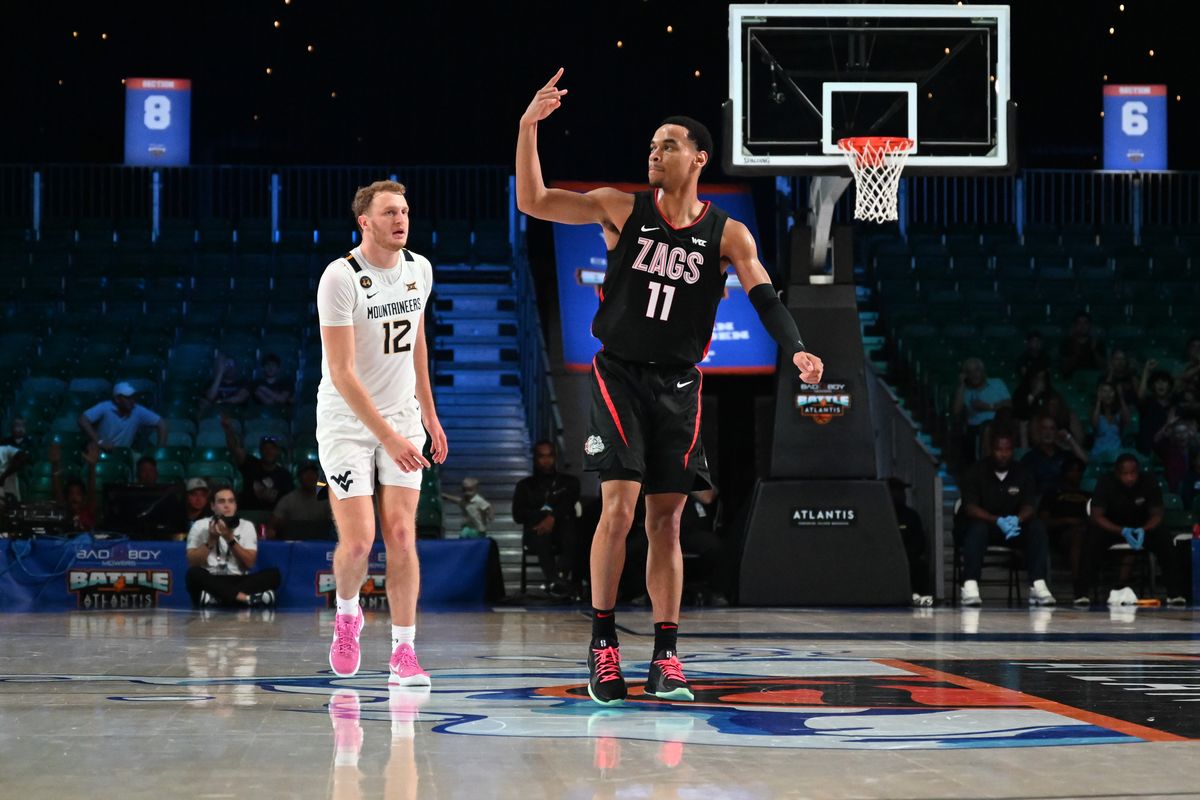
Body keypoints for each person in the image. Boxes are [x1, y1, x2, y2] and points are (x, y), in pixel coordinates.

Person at [516, 69, 824, 705]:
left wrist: (796, 349)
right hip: (619, 373)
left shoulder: (728, 233)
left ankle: (665, 657)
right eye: (651, 146)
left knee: (667, 521)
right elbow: (535, 200)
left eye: (668, 145)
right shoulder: (621, 207)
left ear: (699, 157)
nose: (654, 152)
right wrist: (527, 128)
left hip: (680, 385)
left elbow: (766, 298)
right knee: (620, 506)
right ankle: (604, 645)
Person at [316, 179, 447, 684]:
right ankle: (347, 615)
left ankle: (404, 652)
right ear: (364, 222)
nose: (401, 220)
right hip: (347, 422)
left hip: (401, 418)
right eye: (390, 212)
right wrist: (389, 438)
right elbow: (344, 374)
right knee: (358, 542)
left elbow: (415, 342)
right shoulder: (340, 277)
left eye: (406, 211)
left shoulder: (420, 269)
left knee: (400, 533)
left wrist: (427, 415)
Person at [956, 431, 1055, 607]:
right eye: (998, 449)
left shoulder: (1023, 473)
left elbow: (1029, 506)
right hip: (986, 526)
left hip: (1012, 528)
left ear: (1013, 451)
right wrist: (996, 520)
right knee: (977, 528)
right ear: (991, 450)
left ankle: (1037, 584)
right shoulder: (975, 472)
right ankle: (969, 585)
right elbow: (970, 508)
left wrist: (1017, 520)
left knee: (1037, 528)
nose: (1003, 454)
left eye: (1007, 449)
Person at [1086, 454, 1187, 606]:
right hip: (1113, 529)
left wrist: (1143, 529)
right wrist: (1122, 531)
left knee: (1164, 538)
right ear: (1117, 473)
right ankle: (1082, 594)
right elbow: (1097, 516)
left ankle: (1174, 593)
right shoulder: (1106, 482)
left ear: (1138, 471)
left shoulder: (1149, 482)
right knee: (1091, 538)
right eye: (1125, 474)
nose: (1130, 478)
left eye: (1133, 473)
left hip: (1142, 529)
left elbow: (1157, 514)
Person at [185, 486, 281, 608]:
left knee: (274, 575)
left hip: (238, 579)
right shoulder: (200, 526)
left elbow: (249, 563)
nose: (227, 505)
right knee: (193, 574)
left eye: (231, 501)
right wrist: (211, 540)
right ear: (212, 506)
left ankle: (217, 598)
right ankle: (245, 598)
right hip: (211, 578)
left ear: (235, 505)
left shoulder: (246, 526)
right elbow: (192, 562)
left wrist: (229, 538)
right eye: (221, 501)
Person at [511, 441, 582, 597]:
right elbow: (518, 514)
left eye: (549, 456)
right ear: (535, 458)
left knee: (571, 529)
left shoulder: (569, 482)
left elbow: (568, 503)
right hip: (536, 531)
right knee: (541, 533)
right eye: (542, 456)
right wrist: (542, 517)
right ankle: (556, 581)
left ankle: (560, 579)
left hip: (562, 530)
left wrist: (553, 517)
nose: (546, 460)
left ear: (555, 457)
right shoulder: (525, 486)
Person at [1037, 457, 1091, 605]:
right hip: (1061, 535)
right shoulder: (1052, 495)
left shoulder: (1088, 495)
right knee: (1077, 535)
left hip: (1088, 534)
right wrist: (1067, 521)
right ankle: (1079, 589)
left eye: (1079, 471)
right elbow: (1043, 522)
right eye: (1073, 470)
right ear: (1065, 472)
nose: (1077, 474)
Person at [222, 415, 294, 511]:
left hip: (274, 517)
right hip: (250, 515)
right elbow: (234, 449)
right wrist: (228, 430)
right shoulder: (251, 464)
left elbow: (288, 502)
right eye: (265, 448)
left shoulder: (284, 475)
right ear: (260, 451)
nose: (269, 451)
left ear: (277, 451)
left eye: (272, 448)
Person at [952, 357, 1011, 465]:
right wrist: (961, 384)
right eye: (969, 372)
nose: (974, 374)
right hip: (976, 429)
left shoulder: (997, 383)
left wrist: (987, 406)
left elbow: (1009, 403)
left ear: (983, 371)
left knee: (991, 428)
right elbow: (956, 411)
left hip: (1000, 425)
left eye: (976, 370)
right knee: (984, 429)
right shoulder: (965, 391)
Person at [78, 382, 167, 451]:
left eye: (133, 397)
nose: (132, 400)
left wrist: (159, 450)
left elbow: (161, 423)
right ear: (117, 399)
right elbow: (83, 419)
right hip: (100, 450)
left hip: (123, 453)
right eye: (127, 397)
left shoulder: (138, 410)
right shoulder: (105, 407)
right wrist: (99, 441)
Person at [1020, 413, 1089, 498]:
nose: (1048, 432)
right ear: (1039, 432)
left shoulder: (1064, 456)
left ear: (1057, 432)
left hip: (1061, 500)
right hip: (1039, 502)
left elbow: (1084, 461)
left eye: (1052, 429)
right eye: (1044, 428)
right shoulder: (1030, 458)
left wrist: (1068, 437)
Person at [887, 477, 931, 606]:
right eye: (897, 491)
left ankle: (920, 597)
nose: (901, 495)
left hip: (908, 556)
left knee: (919, 566)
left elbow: (919, 541)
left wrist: (905, 554)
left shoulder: (911, 515)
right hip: (884, 558)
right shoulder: (878, 515)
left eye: (902, 491)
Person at [266, 462, 332, 539]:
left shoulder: (326, 499)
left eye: (312, 473)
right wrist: (271, 530)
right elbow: (272, 523)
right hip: (294, 544)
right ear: (299, 477)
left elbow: (336, 523)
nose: (309, 477)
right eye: (306, 473)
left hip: (320, 543)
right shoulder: (288, 499)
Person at [49, 441, 98, 531]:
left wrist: (92, 466)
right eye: (71, 493)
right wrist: (55, 465)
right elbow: (56, 491)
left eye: (78, 493)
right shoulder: (64, 513)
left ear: (84, 497)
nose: (74, 497)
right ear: (66, 497)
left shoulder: (89, 511)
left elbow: (92, 491)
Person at [1089, 381, 1129, 461]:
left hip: (1116, 454)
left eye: (1111, 391)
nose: (1108, 394)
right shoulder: (1095, 412)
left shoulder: (1119, 413)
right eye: (1104, 391)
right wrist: (1099, 401)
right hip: (1099, 454)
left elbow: (1127, 420)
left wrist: (1121, 396)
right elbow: (1094, 424)